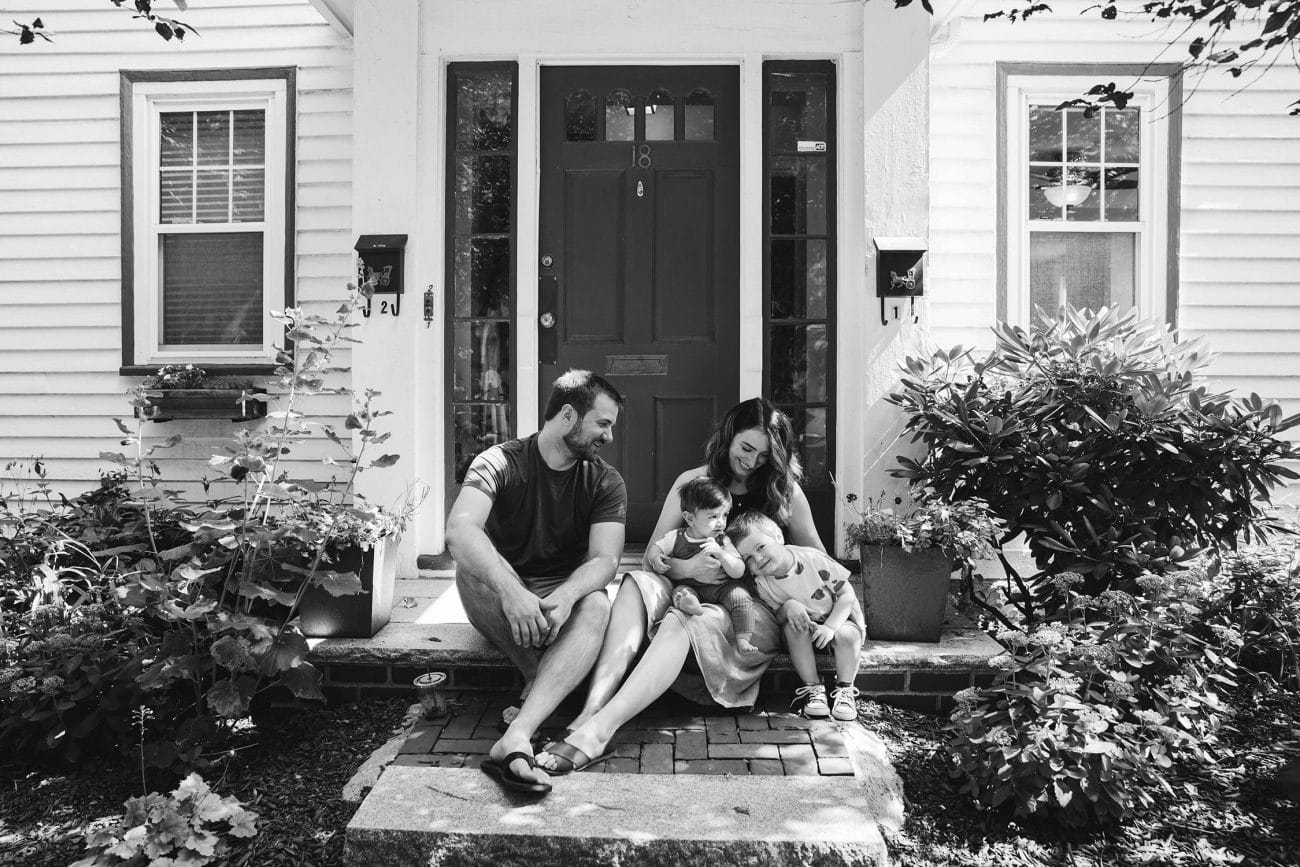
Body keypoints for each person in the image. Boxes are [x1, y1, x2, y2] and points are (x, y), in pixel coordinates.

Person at [536, 397, 832, 775]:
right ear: (727, 438)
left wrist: (816, 604)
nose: (752, 462)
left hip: (750, 612)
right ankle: (590, 710)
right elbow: (651, 561)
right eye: (746, 448)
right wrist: (686, 565)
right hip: (690, 591)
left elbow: (819, 563)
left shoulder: (783, 490)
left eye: (763, 456)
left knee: (682, 619)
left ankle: (599, 732)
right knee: (635, 583)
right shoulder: (692, 484)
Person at [445, 369, 626, 795]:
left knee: (597, 602)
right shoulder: (499, 461)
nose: (609, 436)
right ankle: (543, 677)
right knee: (469, 567)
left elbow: (606, 559)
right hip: (501, 596)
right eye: (603, 423)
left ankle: (520, 730)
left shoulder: (604, 480)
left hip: (558, 597)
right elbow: (460, 530)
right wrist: (513, 593)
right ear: (568, 415)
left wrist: (565, 596)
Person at [728, 510, 865, 721]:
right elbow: (777, 617)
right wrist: (789, 606)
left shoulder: (812, 559)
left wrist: (830, 627)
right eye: (748, 559)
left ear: (778, 537)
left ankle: (845, 689)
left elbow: (846, 594)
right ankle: (813, 689)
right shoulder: (763, 584)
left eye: (761, 547)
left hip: (835, 619)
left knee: (848, 635)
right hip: (803, 628)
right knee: (793, 629)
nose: (758, 559)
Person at [646, 475, 760, 655]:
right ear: (690, 519)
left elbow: (738, 570)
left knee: (741, 597)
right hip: (692, 587)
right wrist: (655, 558)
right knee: (681, 593)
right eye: (713, 516)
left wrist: (722, 554)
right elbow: (655, 549)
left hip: (722, 588)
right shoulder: (676, 537)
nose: (721, 522)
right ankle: (690, 605)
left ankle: (743, 639)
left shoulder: (723, 540)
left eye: (724, 515)